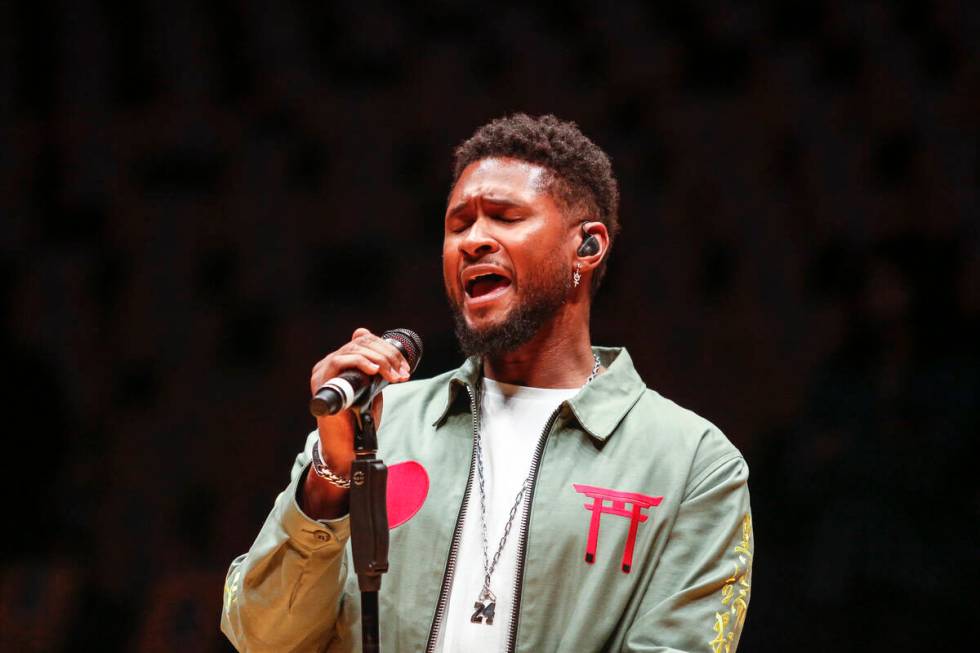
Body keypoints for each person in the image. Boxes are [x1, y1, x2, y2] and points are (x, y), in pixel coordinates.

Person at [221, 114, 754, 653]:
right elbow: (261, 637)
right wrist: (332, 474)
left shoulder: (692, 463)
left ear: (587, 248)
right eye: (458, 224)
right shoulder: (378, 423)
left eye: (505, 217)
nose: (474, 241)